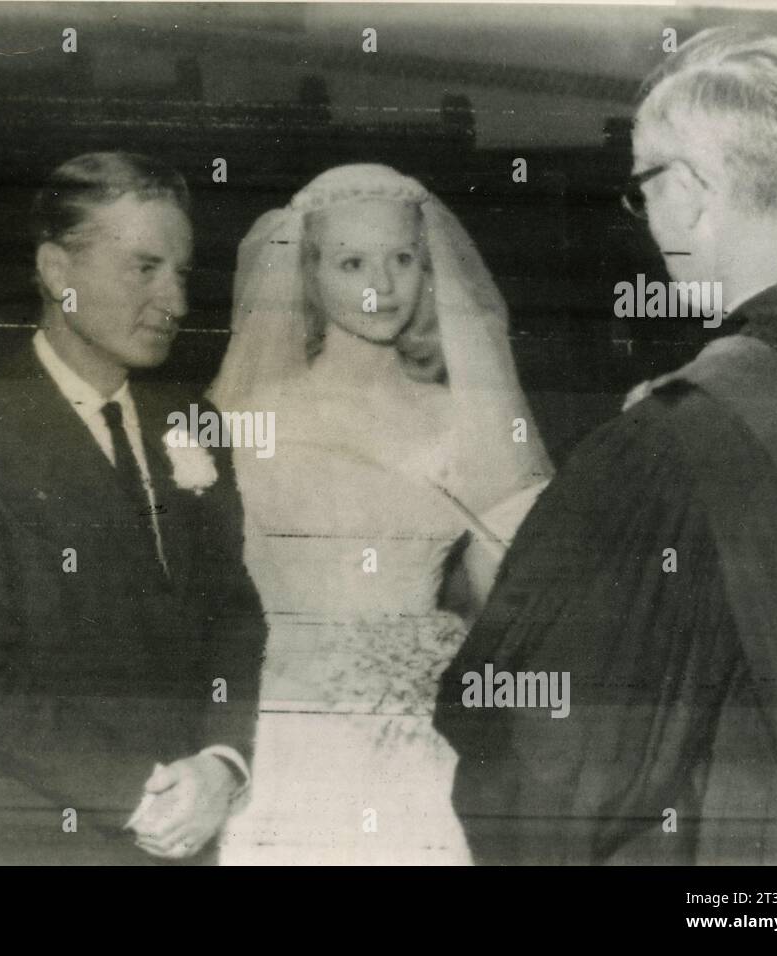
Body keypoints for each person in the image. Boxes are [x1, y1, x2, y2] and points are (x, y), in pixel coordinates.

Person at [435, 27, 777, 865]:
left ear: (694, 190)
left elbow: (548, 783)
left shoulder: (672, 445)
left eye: (644, 189)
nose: (644, 219)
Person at [0, 152, 266, 864]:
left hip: (193, 830)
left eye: (181, 274)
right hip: (38, 839)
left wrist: (221, 762)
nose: (176, 303)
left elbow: (232, 612)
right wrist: (136, 791)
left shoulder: (193, 419)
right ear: (58, 273)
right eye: (144, 268)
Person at [210, 163, 551, 864]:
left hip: (414, 739)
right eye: (352, 262)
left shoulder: (463, 421)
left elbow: (518, 598)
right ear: (309, 271)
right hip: (283, 733)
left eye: (402, 258)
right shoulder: (247, 418)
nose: (382, 285)